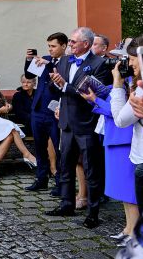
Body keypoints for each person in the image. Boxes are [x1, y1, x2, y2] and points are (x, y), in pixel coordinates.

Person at [46, 27, 112, 229]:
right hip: (66, 123)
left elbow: (94, 95)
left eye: (74, 41)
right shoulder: (64, 61)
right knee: (66, 166)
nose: (71, 44)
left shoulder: (99, 64)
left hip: (86, 125)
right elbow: (56, 89)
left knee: (92, 170)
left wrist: (65, 86)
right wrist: (56, 83)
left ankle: (93, 212)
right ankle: (67, 204)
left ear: (86, 44)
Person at [81, 39, 139, 246]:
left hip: (124, 138)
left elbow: (118, 113)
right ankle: (128, 228)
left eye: (122, 58)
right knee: (122, 190)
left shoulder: (136, 83)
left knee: (129, 190)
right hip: (114, 138)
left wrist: (95, 100)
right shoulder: (123, 81)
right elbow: (112, 98)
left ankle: (134, 232)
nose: (117, 62)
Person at [23, 32, 67, 193]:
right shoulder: (44, 58)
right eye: (48, 46)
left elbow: (59, 78)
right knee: (39, 146)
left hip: (55, 110)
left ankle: (60, 183)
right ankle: (41, 178)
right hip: (38, 108)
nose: (50, 49)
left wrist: (47, 63)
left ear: (63, 46)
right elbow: (29, 75)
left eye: (53, 46)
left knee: (58, 147)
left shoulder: (67, 62)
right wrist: (29, 60)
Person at [113, 35, 143, 220]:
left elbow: (121, 120)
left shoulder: (142, 89)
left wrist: (117, 85)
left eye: (131, 58)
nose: (129, 63)